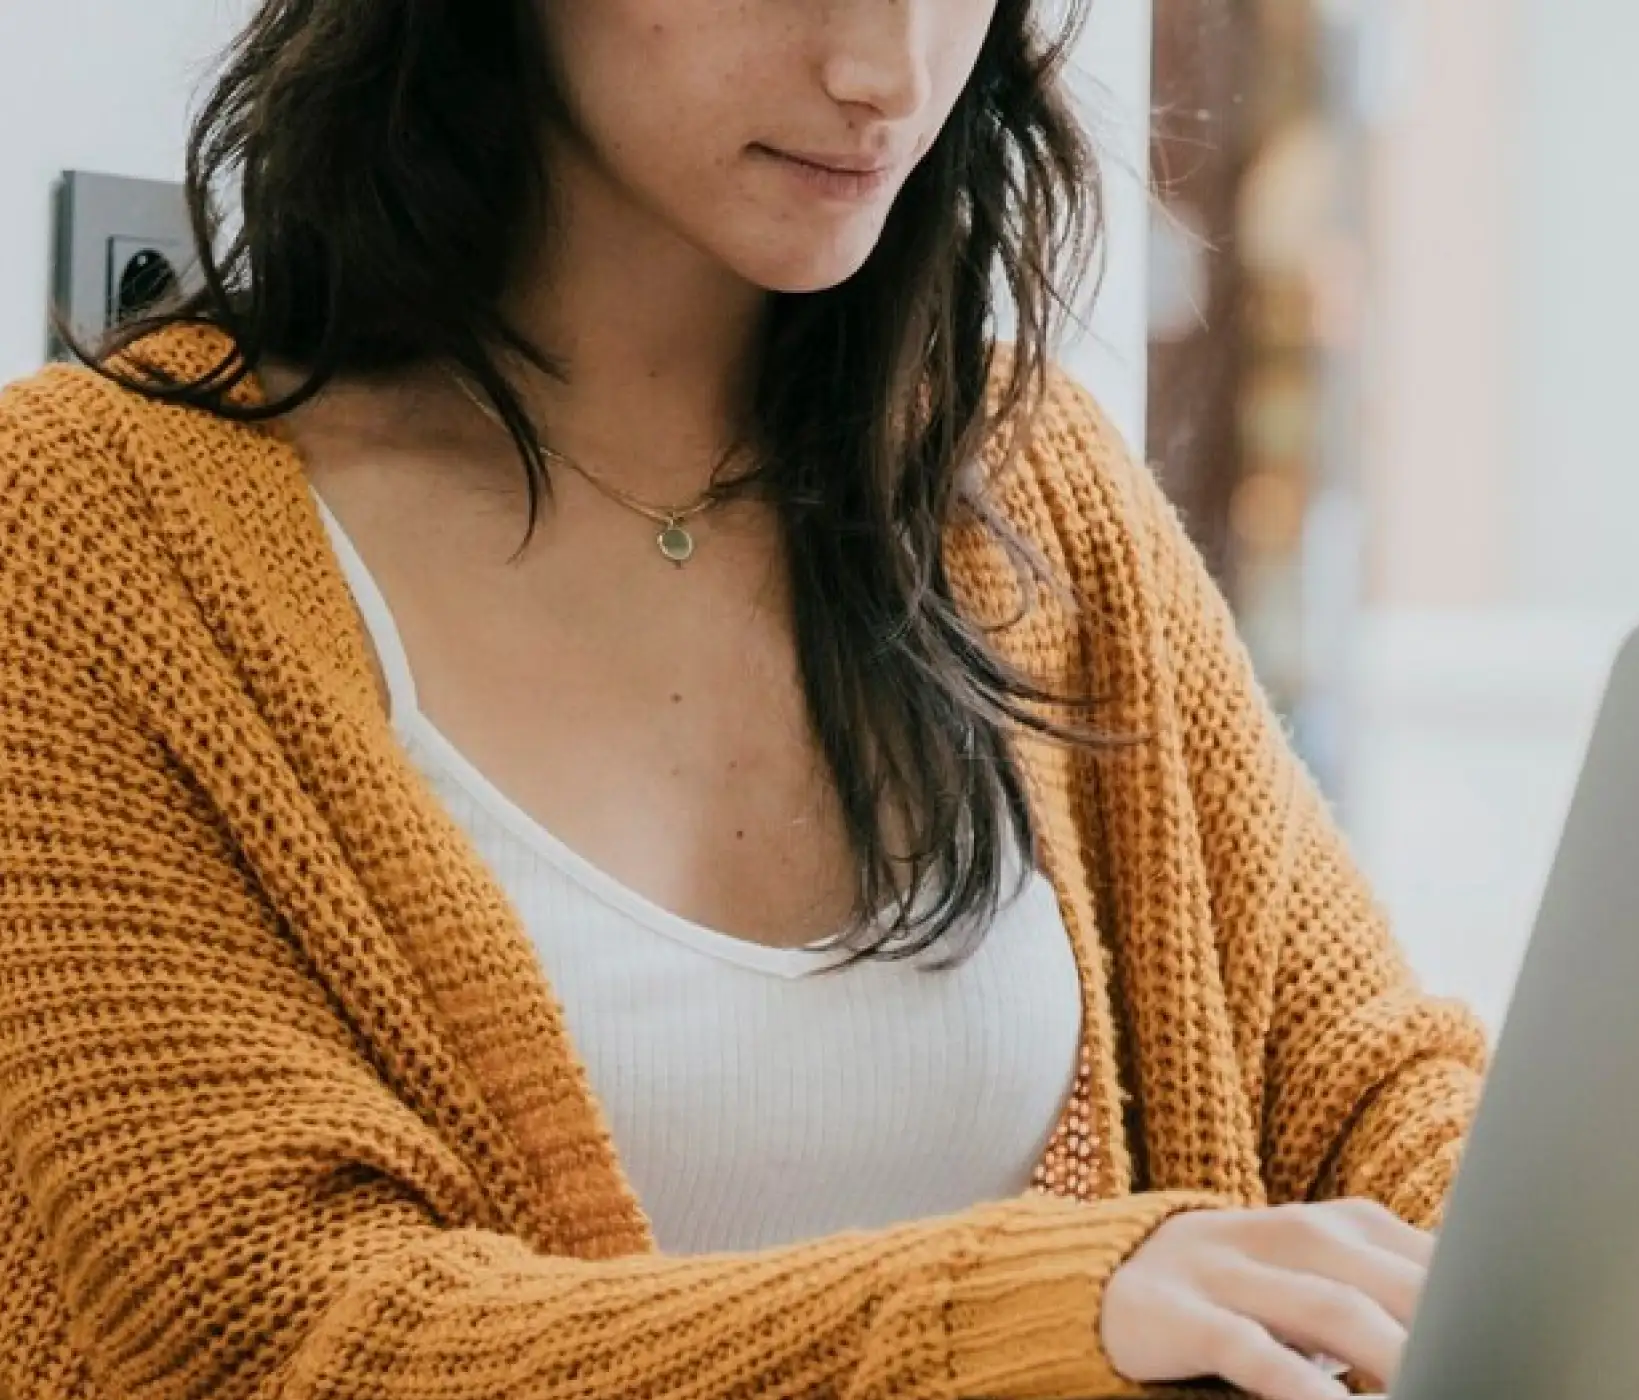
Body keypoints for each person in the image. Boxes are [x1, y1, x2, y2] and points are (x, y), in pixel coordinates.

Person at [0, 4, 1477, 1399]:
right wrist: (1028, 1315)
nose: (884, 70)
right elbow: (269, 1333)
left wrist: (1628, 1234)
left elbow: (1360, 1089)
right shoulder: (88, 533)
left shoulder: (1020, 483)